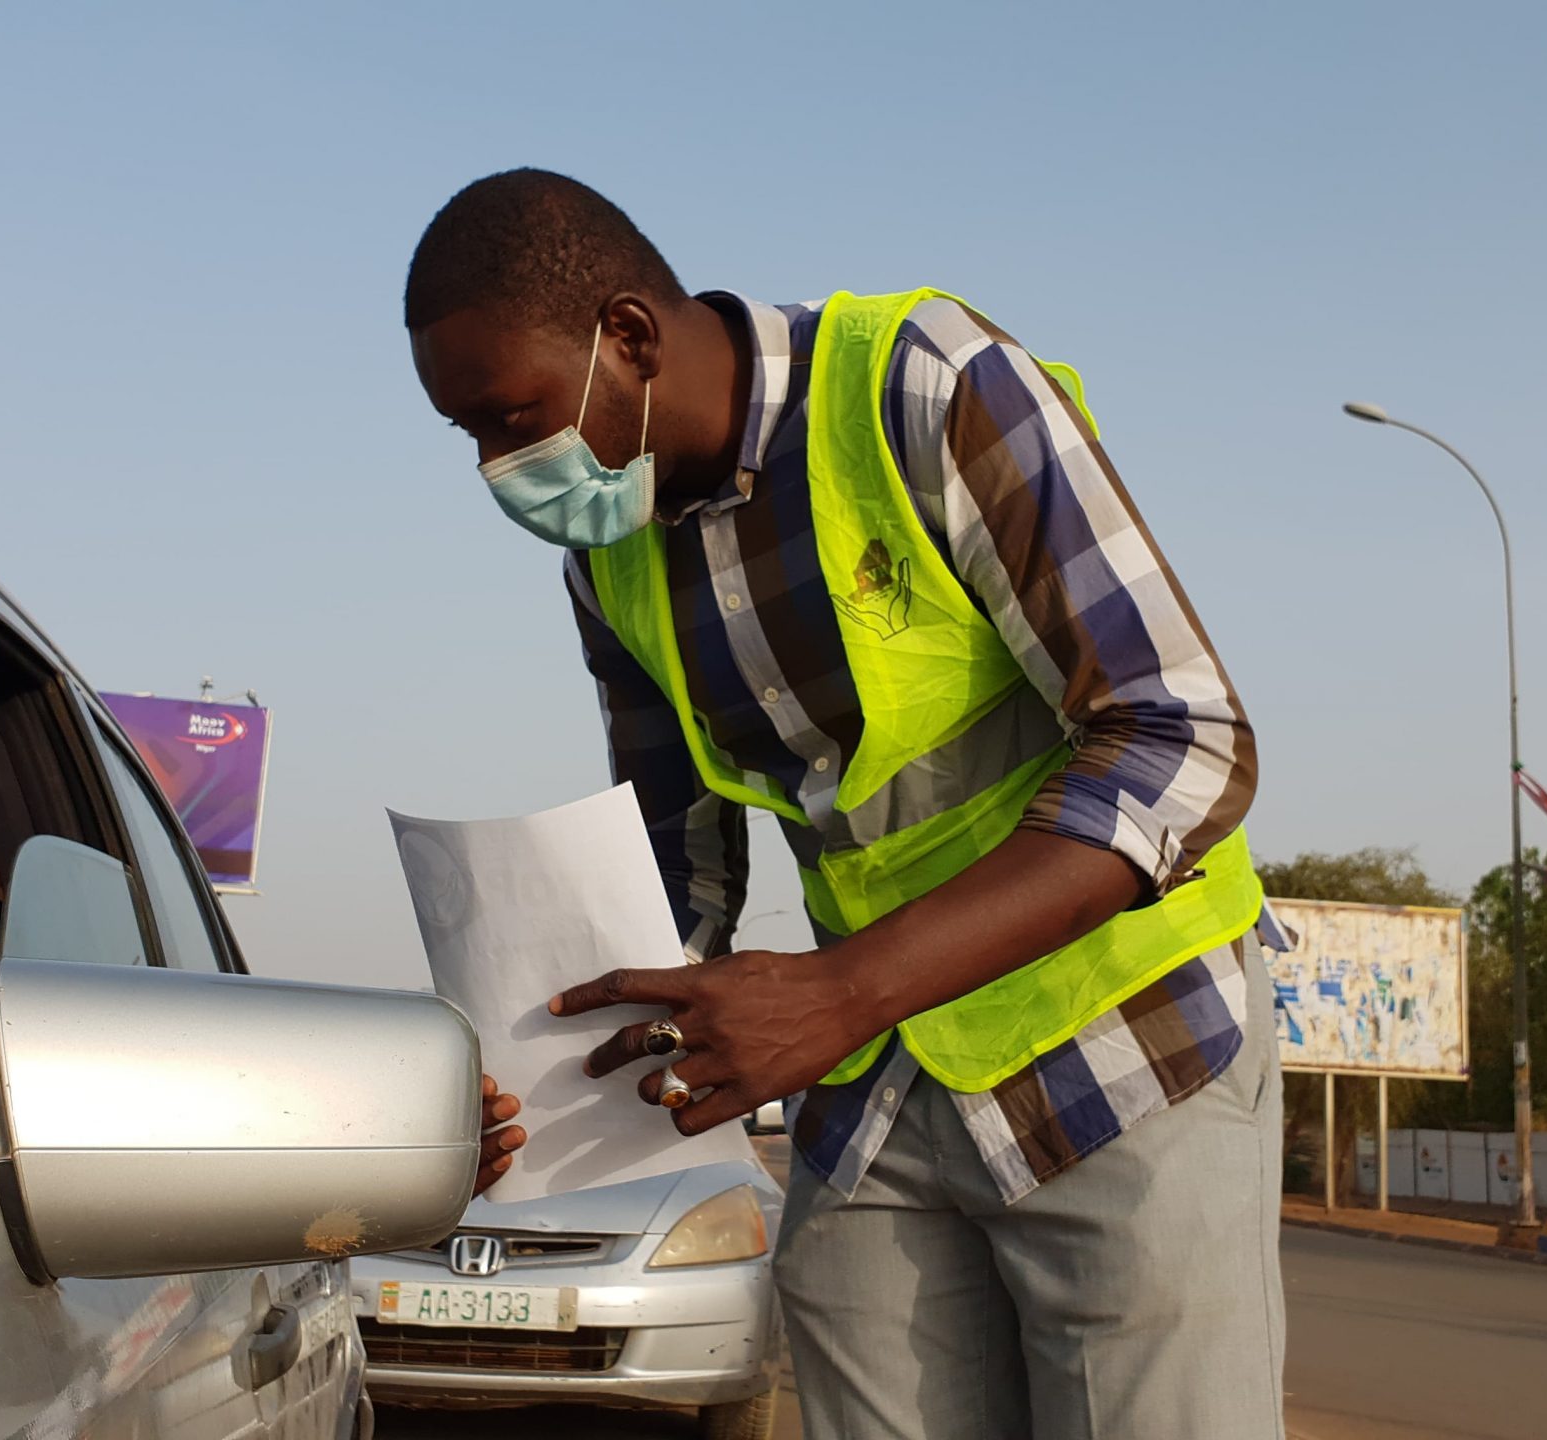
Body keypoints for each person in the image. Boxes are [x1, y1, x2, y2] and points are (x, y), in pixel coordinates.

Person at [406, 168, 1283, 1439]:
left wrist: (841, 990)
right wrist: (526, 1088)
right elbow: (672, 881)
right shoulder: (608, 556)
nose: (500, 468)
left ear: (630, 338)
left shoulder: (923, 386)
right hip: (879, 1092)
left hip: (1117, 1044)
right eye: (470, 437)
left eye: (513, 417)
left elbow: (1185, 737)